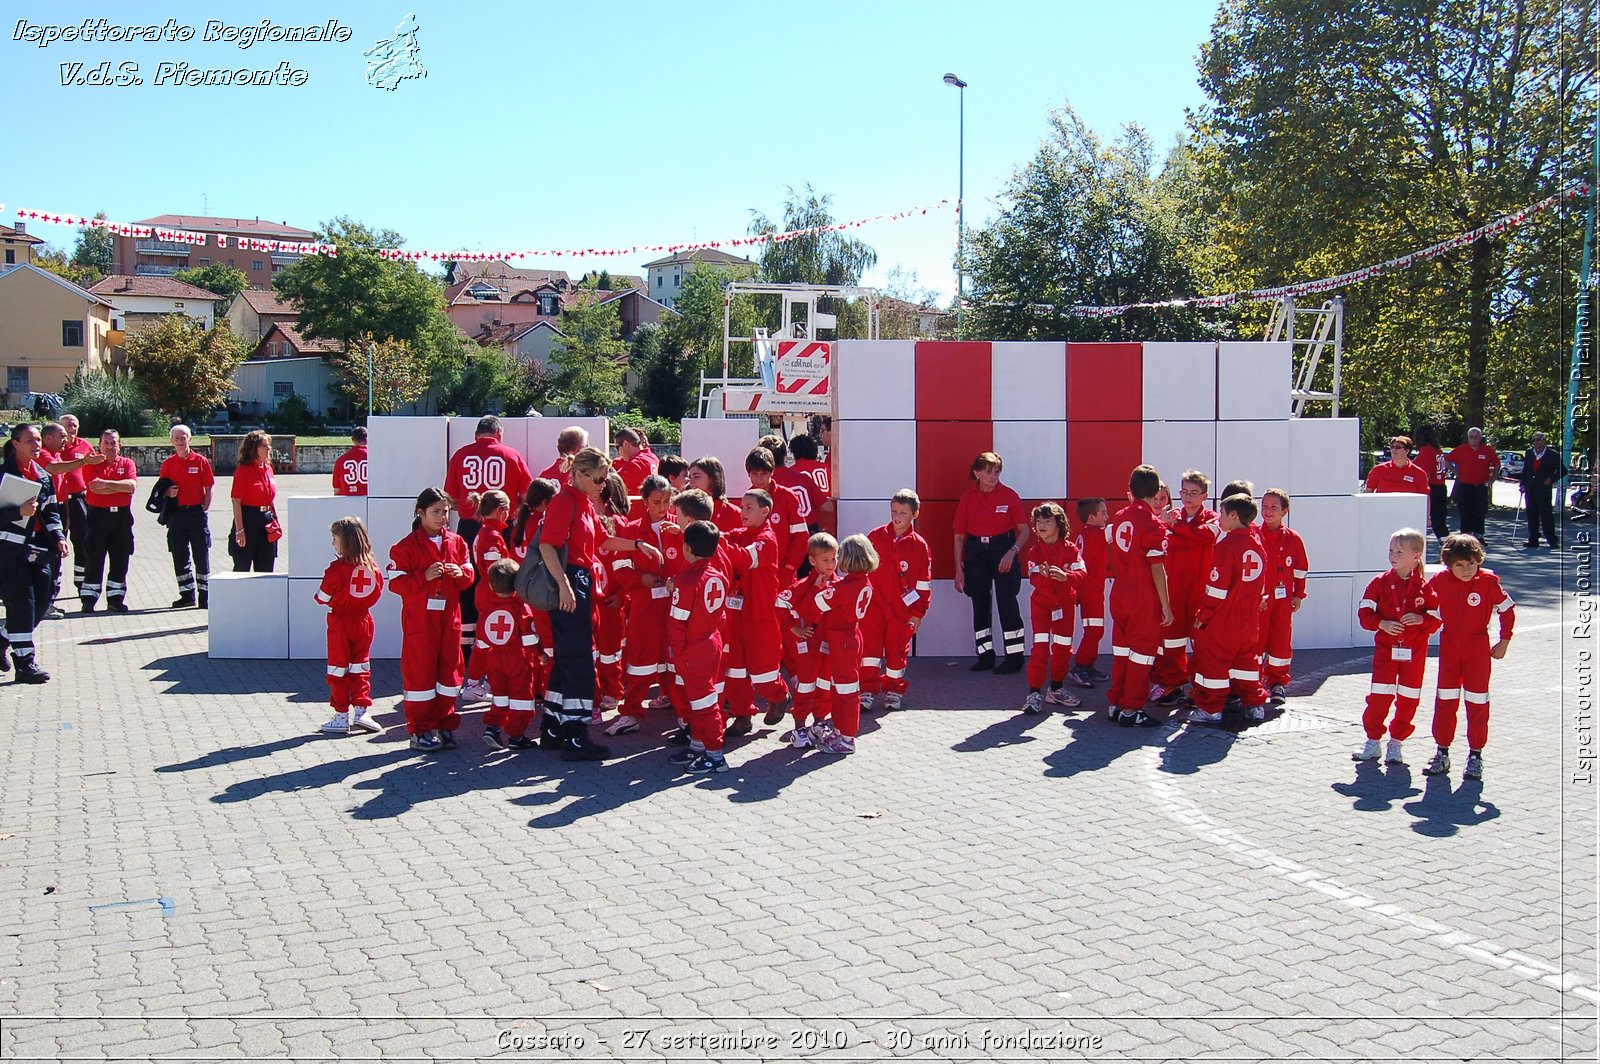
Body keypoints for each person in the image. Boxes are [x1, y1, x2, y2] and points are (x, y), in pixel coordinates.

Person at [537, 447, 662, 761]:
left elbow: (600, 541)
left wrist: (635, 545)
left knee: (568, 658)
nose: (603, 485)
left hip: (576, 580)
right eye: (598, 479)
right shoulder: (565, 501)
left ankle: (553, 727)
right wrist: (565, 586)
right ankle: (575, 735)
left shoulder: (580, 501)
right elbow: (547, 546)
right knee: (579, 660)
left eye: (604, 479)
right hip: (570, 581)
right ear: (578, 475)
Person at [386, 487, 475, 752]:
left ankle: (445, 725)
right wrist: (422, 578)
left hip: (449, 620)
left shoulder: (457, 543)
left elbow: (469, 577)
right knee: (420, 677)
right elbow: (394, 583)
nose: (442, 517)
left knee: (450, 674)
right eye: (436, 512)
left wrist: (459, 572)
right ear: (420, 513)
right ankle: (420, 730)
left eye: (445, 512)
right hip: (420, 623)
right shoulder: (405, 546)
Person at [1422, 534, 1515, 781]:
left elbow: (1507, 609)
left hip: (1478, 650)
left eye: (1471, 564)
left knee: (1477, 703)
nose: (1466, 570)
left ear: (1479, 561)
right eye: (1459, 565)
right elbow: (1424, 608)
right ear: (1449, 564)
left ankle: (1476, 756)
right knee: (1445, 701)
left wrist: (1504, 640)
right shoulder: (1439, 581)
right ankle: (1442, 752)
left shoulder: (1488, 582)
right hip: (1450, 649)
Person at [444, 415, 535, 667]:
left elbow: (450, 498)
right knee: (503, 583)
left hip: (469, 527)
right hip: (502, 527)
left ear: (476, 435)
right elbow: (528, 494)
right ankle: (503, 641)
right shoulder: (511, 454)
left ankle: (468, 651)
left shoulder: (461, 455)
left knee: (468, 582)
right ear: (499, 433)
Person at [1354, 528, 1442, 765]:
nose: (1393, 556)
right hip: (1386, 652)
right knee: (1379, 696)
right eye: (1391, 550)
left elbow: (1436, 621)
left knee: (1408, 697)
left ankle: (1396, 743)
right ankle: (1373, 741)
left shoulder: (1426, 588)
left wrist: (1421, 620)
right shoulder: (1379, 583)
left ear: (1416, 556)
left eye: (1400, 552)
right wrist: (1381, 623)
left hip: (1414, 654)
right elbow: (1364, 614)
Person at [1184, 494, 1271, 724]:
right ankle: (1254, 705)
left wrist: (1203, 616)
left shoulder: (1226, 545)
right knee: (1247, 663)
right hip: (1249, 621)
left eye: (1222, 514)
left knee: (1213, 664)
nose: (1219, 519)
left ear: (1234, 515)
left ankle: (1211, 709)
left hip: (1224, 621)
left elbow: (1216, 589)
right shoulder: (1257, 544)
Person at [607, 474, 678, 737]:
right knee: (640, 660)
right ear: (645, 501)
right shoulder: (632, 530)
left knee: (674, 658)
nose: (663, 507)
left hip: (675, 606)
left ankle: (676, 704)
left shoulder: (679, 527)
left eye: (667, 501)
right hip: (644, 606)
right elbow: (619, 569)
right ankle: (631, 712)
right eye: (657, 501)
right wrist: (641, 579)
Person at [720, 488, 791, 735]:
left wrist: (713, 541)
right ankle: (742, 715)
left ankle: (779, 695)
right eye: (742, 507)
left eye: (749, 507)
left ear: (765, 511)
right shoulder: (742, 533)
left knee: (764, 672)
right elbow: (725, 537)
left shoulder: (767, 539)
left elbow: (742, 558)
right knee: (735, 669)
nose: (743, 512)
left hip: (761, 616)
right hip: (736, 614)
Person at [1106, 466, 1173, 727]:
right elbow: (1157, 568)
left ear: (1130, 489)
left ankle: (1116, 702)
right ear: (1155, 491)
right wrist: (1166, 606)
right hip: (1142, 596)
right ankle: (1132, 709)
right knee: (1143, 655)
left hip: (1119, 591)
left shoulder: (1118, 518)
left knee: (1122, 653)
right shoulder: (1153, 525)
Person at [0, 424, 67, 682]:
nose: (36, 444)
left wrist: (60, 538)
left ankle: (3, 638)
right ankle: (25, 664)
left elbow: (51, 512)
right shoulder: (4, 474)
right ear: (15, 444)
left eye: (38, 440)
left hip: (39, 550)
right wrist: (18, 513)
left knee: (42, 600)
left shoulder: (42, 475)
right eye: (30, 440)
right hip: (8, 551)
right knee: (22, 604)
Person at [953, 451, 1029, 674]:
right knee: (980, 603)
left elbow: (1024, 532)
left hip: (1003, 548)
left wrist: (1012, 552)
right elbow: (959, 535)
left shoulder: (1009, 496)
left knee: (1007, 602)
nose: (993, 476)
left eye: (996, 471)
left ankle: (1015, 657)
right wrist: (959, 568)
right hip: (976, 551)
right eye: (988, 471)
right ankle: (985, 655)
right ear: (977, 473)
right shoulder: (968, 498)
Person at [664, 520, 730, 773]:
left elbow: (676, 622)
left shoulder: (687, 581)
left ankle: (715, 754)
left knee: (704, 704)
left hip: (692, 649)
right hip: (711, 642)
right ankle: (698, 744)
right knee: (698, 701)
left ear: (686, 547)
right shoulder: (718, 576)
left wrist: (678, 653)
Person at [1149, 472, 1219, 707]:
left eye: (1194, 493)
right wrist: (1183, 531)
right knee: (1172, 641)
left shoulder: (1212, 517)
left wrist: (1176, 527)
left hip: (1201, 591)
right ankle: (1173, 684)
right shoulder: (1168, 517)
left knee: (1202, 642)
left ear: (1205, 496)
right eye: (1184, 492)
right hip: (1174, 590)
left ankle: (1199, 688)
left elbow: (1205, 537)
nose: (1187, 497)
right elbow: (1168, 540)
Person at [861, 490, 932, 713]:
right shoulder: (875, 536)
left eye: (903, 512)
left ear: (915, 514)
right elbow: (862, 571)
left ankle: (893, 690)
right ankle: (867, 690)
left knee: (896, 652)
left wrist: (918, 613)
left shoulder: (919, 545)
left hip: (902, 611)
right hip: (873, 608)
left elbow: (923, 583)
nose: (897, 517)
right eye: (894, 511)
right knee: (869, 653)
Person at [806, 533, 877, 755]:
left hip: (842, 642)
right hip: (850, 637)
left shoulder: (844, 587)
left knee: (845, 693)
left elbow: (818, 602)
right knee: (841, 690)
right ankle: (840, 730)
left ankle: (846, 738)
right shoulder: (864, 581)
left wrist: (819, 585)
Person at [315, 516, 385, 736]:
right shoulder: (373, 567)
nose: (332, 542)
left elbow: (321, 597)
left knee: (337, 668)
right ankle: (362, 711)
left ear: (344, 541)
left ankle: (341, 715)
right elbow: (377, 593)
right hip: (364, 621)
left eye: (334, 538)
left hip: (340, 622)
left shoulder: (336, 569)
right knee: (361, 667)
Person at [1020, 502, 1085, 714]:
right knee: (1040, 649)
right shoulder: (1034, 552)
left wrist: (1066, 577)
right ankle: (1034, 694)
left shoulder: (1071, 549)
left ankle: (1056, 689)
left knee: (1063, 649)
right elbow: (1034, 578)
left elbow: (1082, 575)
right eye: (1038, 521)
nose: (1042, 525)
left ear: (1059, 524)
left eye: (1048, 521)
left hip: (1065, 605)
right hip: (1041, 606)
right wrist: (1046, 577)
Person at [476, 559, 544, 753]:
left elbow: (481, 642)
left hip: (494, 659)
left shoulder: (487, 609)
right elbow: (530, 639)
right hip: (517, 660)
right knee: (522, 698)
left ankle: (493, 727)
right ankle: (516, 736)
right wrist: (541, 655)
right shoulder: (521, 609)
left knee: (500, 696)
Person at [38, 421, 103, 618]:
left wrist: (65, 514)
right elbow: (55, 469)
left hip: (61, 507)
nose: (66, 438)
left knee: (62, 554)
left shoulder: (57, 453)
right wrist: (84, 462)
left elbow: (62, 489)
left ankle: (50, 600)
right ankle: (44, 603)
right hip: (44, 510)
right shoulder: (43, 454)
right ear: (48, 438)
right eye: (62, 435)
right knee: (49, 556)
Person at [780, 534, 837, 747]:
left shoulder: (838, 584)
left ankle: (820, 723)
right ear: (812, 561)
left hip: (829, 646)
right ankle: (800, 727)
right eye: (825, 559)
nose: (831, 564)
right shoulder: (803, 585)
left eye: (834, 559)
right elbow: (780, 603)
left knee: (824, 684)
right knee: (805, 686)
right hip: (808, 647)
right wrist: (793, 627)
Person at [460, 490, 514, 702]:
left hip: (489, 592)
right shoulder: (491, 536)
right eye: (507, 510)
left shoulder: (487, 532)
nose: (509, 514)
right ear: (500, 511)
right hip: (494, 594)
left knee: (487, 641)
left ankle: (487, 682)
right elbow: (496, 571)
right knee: (484, 642)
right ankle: (473, 683)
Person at [1257, 488, 1309, 700]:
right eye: (1265, 507)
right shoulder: (1254, 534)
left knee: (1280, 641)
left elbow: (1300, 569)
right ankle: (1254, 681)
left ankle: (1277, 682)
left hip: (1283, 600)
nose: (1268, 511)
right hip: (1259, 601)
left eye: (1274, 507)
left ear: (1285, 511)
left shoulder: (1293, 539)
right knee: (1257, 641)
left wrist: (1298, 594)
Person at [81, 429, 138, 612]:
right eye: (106, 442)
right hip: (97, 516)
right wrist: (117, 486)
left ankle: (115, 599)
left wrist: (106, 483)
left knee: (120, 558)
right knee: (94, 557)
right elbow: (94, 489)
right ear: (99, 445)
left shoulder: (127, 463)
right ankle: (89, 599)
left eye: (113, 443)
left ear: (119, 445)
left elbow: (131, 486)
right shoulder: (91, 464)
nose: (110, 446)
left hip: (121, 516)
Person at [159, 424, 214, 609]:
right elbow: (161, 489)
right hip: (176, 515)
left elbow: (208, 488)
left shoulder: (200, 461)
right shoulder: (168, 464)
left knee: (201, 554)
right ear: (171, 441)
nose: (180, 441)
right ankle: (186, 595)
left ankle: (205, 596)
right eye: (177, 438)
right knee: (179, 555)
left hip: (196, 514)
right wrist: (168, 492)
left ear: (190, 439)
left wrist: (204, 509)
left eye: (184, 437)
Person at [50, 414, 98, 598]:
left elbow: (94, 466)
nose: (72, 428)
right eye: (68, 425)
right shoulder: (55, 447)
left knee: (82, 541)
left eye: (75, 425)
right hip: (59, 501)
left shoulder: (84, 445)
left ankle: (82, 582)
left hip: (79, 499)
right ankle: (53, 587)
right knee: (57, 542)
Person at [1067, 498, 1110, 689]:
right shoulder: (1096, 534)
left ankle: (1088, 665)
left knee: (1094, 630)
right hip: (1090, 592)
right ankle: (1081, 667)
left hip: (1089, 590)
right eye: (1103, 513)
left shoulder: (1086, 535)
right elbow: (1121, 529)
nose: (1107, 516)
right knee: (1095, 630)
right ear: (1091, 517)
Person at [229, 430, 278, 573]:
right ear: (253, 449)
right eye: (264, 446)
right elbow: (236, 501)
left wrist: (275, 520)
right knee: (242, 566)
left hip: (266, 520)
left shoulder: (268, 469)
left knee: (266, 567)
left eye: (269, 445)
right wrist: (240, 530)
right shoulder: (243, 471)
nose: (268, 449)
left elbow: (270, 498)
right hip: (248, 519)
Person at [1446, 427, 1499, 542]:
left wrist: (1492, 480)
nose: (1474, 439)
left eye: (1476, 437)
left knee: (1480, 511)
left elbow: (1497, 465)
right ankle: (1465, 537)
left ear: (1480, 438)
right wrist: (1456, 472)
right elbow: (1447, 460)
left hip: (1480, 486)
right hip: (1465, 486)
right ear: (1468, 437)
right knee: (1465, 511)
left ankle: (1479, 536)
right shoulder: (1461, 449)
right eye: (1471, 437)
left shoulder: (1487, 450)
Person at [776, 434, 830, 533]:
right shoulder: (826, 467)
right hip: (826, 523)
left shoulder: (793, 473)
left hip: (801, 523)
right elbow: (828, 506)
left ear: (794, 453)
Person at [1519, 431, 1565, 549]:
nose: (1536, 442)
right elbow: (1526, 470)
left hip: (1543, 489)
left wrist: (1551, 479)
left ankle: (1552, 540)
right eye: (1533, 440)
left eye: (1538, 440)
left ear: (1544, 440)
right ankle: (1533, 539)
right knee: (1531, 515)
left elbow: (1563, 470)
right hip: (1530, 489)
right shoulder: (1529, 453)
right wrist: (1522, 484)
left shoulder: (1552, 454)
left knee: (1546, 515)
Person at [1413, 427, 1450, 540]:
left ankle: (1448, 546)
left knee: (1435, 521)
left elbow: (1425, 474)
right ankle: (1447, 544)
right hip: (1440, 486)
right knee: (1439, 520)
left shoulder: (1426, 450)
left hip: (1432, 487)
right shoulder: (1437, 450)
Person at [688, 456, 741, 533]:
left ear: (713, 478)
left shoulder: (734, 513)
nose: (691, 481)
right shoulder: (686, 509)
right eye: (690, 477)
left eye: (696, 476)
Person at [1364, 436, 1429, 494]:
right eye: (1392, 447)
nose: (1393, 450)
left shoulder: (1419, 473)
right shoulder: (1378, 470)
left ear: (1407, 451)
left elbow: (1425, 499)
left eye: (1398, 447)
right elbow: (1368, 494)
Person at [613, 427, 658, 495]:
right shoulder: (653, 457)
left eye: (617, 447)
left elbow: (610, 484)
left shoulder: (634, 464)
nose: (618, 452)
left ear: (625, 444)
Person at [333, 426, 368, 497]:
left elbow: (337, 490)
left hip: (347, 504)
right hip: (370, 503)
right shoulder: (375, 459)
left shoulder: (341, 460)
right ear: (367, 439)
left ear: (353, 440)